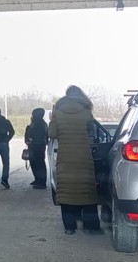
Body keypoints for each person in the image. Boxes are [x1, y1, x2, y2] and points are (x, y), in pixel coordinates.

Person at [49, 85, 103, 235]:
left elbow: (52, 133)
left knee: (67, 193)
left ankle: (69, 227)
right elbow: (92, 132)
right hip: (83, 157)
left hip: (65, 158)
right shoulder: (86, 112)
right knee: (86, 191)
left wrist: (54, 121)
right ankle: (91, 226)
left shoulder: (58, 113)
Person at [25, 107, 48, 189]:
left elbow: (38, 135)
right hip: (35, 146)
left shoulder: (40, 124)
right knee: (35, 163)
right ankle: (38, 179)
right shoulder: (39, 123)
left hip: (38, 146)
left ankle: (42, 182)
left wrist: (32, 139)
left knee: (40, 164)